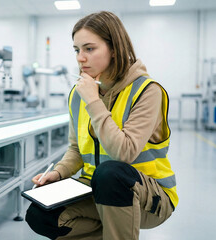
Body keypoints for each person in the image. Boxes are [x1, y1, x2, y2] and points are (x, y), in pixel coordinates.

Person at [25, 11, 178, 240]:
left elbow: (123, 153)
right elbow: (76, 149)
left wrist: (94, 102)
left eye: (89, 49)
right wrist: (58, 173)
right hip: (94, 189)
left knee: (110, 174)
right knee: (41, 215)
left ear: (114, 49)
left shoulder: (147, 91)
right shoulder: (78, 94)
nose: (80, 58)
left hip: (148, 196)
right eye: (77, 50)